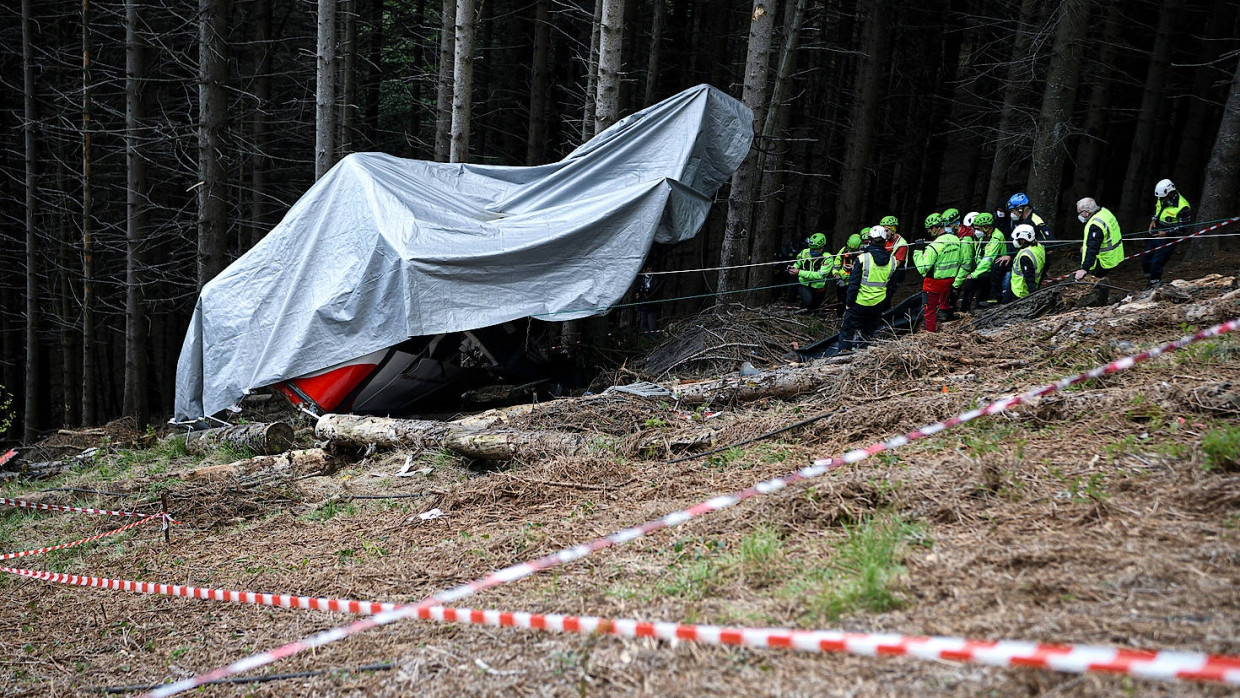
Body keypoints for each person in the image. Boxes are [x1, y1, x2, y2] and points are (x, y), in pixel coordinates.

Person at [838, 226, 893, 352]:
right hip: (878, 304)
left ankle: (842, 357)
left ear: (869, 240)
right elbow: (891, 285)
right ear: (885, 241)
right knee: (868, 334)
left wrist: (849, 303)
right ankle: (863, 357)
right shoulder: (892, 261)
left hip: (859, 303)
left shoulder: (863, 258)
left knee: (847, 332)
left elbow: (854, 284)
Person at [912, 212, 961, 333]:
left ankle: (930, 333)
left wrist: (918, 252)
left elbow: (923, 268)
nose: (929, 232)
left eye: (929, 229)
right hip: (950, 279)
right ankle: (945, 316)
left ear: (935, 227)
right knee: (943, 302)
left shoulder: (934, 246)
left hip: (934, 282)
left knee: (929, 311)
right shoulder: (956, 240)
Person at [1142, 178, 1193, 289]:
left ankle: (1155, 284)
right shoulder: (1162, 199)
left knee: (1156, 261)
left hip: (1170, 236)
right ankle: (1149, 279)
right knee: (1146, 257)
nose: (1161, 199)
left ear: (1170, 193)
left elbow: (1184, 228)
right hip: (1158, 230)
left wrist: (1166, 233)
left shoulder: (1182, 207)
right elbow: (1157, 209)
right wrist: (1153, 219)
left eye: (1163, 197)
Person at [1073, 197, 1124, 305]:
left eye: (1080, 213)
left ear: (1087, 212)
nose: (1079, 215)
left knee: (1092, 282)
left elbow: (1092, 249)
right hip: (1116, 253)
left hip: (1105, 259)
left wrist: (1084, 268)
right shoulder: (1104, 212)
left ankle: (1096, 303)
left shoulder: (1095, 225)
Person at [966, 212, 1005, 310]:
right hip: (984, 269)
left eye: (978, 229)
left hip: (993, 270)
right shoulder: (983, 236)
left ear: (987, 227)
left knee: (975, 281)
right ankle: (968, 309)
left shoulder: (996, 237)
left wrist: (974, 274)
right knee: (975, 284)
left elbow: (988, 259)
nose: (975, 231)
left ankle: (974, 308)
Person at [1003, 224, 1046, 302]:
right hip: (1023, 288)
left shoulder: (1025, 256)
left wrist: (1033, 295)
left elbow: (1029, 277)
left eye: (1017, 239)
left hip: (1020, 292)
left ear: (1023, 240)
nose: (1014, 241)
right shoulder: (1039, 247)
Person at [824, 231, 864, 314]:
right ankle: (839, 317)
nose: (850, 252)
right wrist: (838, 278)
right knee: (841, 302)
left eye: (853, 251)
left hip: (855, 284)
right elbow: (835, 266)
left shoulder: (864, 254)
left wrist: (854, 268)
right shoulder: (843, 251)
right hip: (842, 283)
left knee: (853, 303)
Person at [790, 232, 831, 311]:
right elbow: (798, 262)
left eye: (815, 249)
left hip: (818, 286)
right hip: (804, 283)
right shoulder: (805, 252)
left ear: (822, 247)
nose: (812, 251)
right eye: (811, 248)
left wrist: (799, 272)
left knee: (815, 306)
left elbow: (820, 275)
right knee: (807, 302)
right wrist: (793, 267)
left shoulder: (828, 258)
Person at [878, 215, 909, 310]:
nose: (884, 233)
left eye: (886, 230)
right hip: (883, 273)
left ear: (893, 229)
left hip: (895, 274)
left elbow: (897, 263)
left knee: (886, 297)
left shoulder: (901, 244)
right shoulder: (884, 240)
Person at [951, 211, 979, 314]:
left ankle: (964, 311)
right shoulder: (960, 237)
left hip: (964, 275)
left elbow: (966, 264)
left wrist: (956, 284)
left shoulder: (966, 240)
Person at [632, 264, 664, 335]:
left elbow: (655, 291)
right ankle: (643, 341)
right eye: (648, 270)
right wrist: (638, 294)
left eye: (651, 270)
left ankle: (653, 341)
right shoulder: (641, 279)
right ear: (644, 271)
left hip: (652, 306)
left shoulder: (656, 279)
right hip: (642, 305)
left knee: (651, 324)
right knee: (642, 324)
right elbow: (636, 289)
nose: (649, 272)